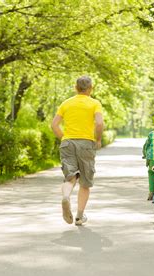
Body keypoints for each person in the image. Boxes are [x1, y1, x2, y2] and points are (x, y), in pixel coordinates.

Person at [51, 76, 103, 226]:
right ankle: (79, 216)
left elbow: (54, 125)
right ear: (90, 88)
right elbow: (99, 123)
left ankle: (66, 196)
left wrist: (64, 139)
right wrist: (98, 139)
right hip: (86, 143)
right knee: (85, 183)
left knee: (70, 178)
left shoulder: (66, 103)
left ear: (76, 88)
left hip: (68, 143)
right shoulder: (94, 103)